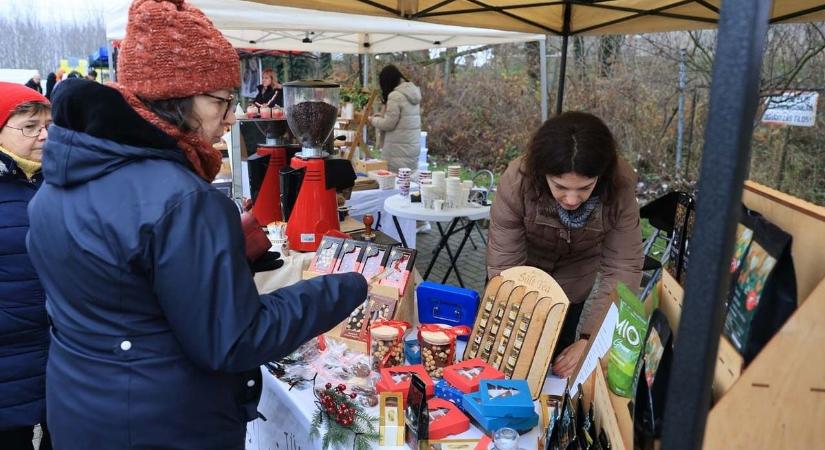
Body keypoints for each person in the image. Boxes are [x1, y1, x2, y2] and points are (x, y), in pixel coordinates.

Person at [26, 1, 367, 448]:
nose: (229, 118)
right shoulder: (183, 198)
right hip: (164, 424)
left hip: (84, 409)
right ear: (176, 97)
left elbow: (119, 291)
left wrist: (217, 267)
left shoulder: (61, 179)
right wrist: (342, 287)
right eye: (221, 101)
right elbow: (233, 340)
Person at [486, 111, 643, 378]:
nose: (571, 199)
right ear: (541, 172)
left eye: (584, 188)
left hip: (573, 282)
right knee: (506, 357)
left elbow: (623, 266)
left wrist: (590, 340)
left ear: (601, 177)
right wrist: (515, 321)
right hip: (519, 275)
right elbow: (504, 260)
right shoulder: (517, 180)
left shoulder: (620, 185)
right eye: (560, 186)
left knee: (562, 364)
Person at [0, 82, 52, 450]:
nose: (44, 135)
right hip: (7, 354)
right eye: (30, 127)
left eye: (48, 125)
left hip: (59, 348)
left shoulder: (59, 179)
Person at [369, 65, 421, 172]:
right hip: (412, 148)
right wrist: (381, 116)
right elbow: (402, 120)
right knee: (408, 181)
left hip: (398, 151)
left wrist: (373, 120)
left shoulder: (395, 96)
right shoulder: (412, 93)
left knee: (395, 184)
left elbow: (389, 124)